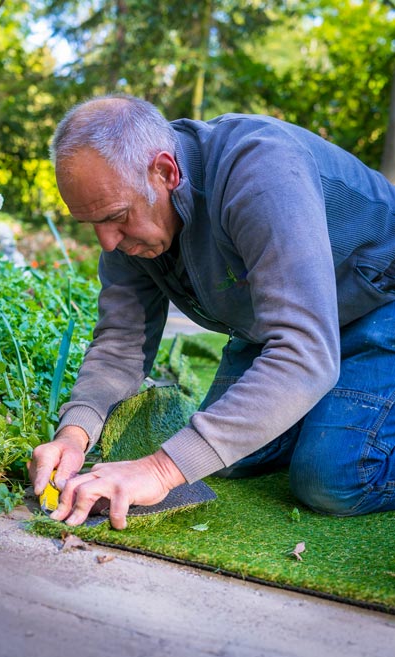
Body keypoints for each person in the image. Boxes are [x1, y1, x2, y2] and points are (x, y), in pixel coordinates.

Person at [29, 94, 395, 529]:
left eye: (116, 217)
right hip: (297, 326)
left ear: (165, 172)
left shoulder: (261, 174)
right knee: (222, 458)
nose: (108, 243)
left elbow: (304, 352)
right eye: (93, 225)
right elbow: (120, 345)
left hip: (380, 308)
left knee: (331, 478)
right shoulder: (131, 215)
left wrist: (159, 470)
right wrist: (75, 434)